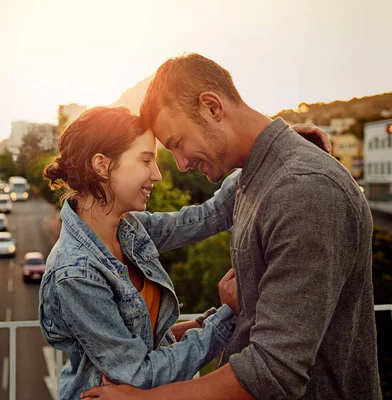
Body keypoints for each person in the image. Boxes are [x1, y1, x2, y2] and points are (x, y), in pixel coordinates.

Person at [81, 54, 381, 400]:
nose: (178, 165)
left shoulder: (304, 189)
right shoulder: (260, 178)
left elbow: (273, 373)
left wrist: (143, 399)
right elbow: (207, 220)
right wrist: (283, 141)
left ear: (211, 107)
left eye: (177, 143)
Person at [39, 106, 331, 400]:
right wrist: (228, 317)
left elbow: (211, 215)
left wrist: (274, 147)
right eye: (146, 161)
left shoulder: (131, 229)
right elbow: (139, 375)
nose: (157, 175)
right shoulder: (74, 274)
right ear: (101, 165)